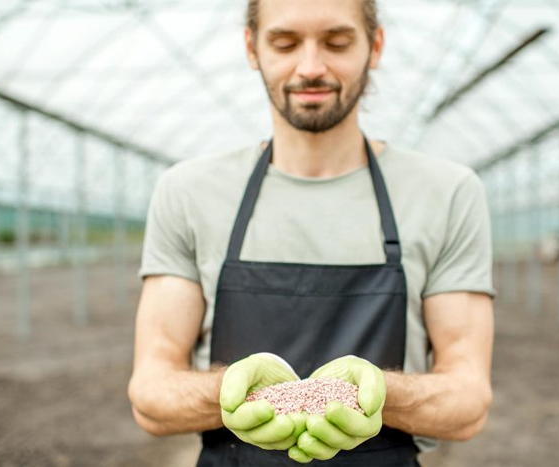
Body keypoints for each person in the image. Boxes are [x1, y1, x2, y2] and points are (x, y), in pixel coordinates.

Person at [128, 0, 495, 465]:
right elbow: (151, 394)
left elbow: (468, 400)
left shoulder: (446, 193)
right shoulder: (189, 192)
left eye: (337, 43)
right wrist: (229, 391)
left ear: (374, 45)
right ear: (252, 48)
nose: (311, 67)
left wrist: (381, 394)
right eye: (284, 43)